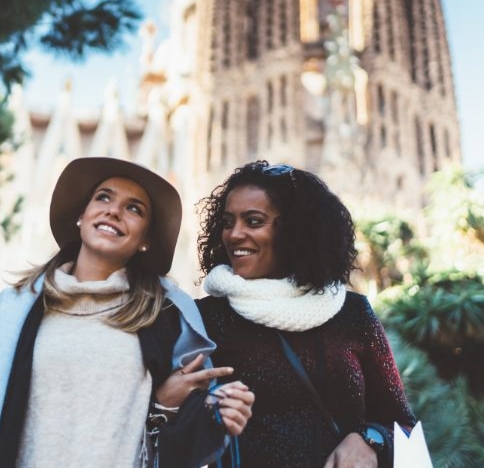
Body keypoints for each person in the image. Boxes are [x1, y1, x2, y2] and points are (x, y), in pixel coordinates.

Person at [0, 156, 254, 468]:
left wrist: (184, 407)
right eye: (103, 198)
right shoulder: (13, 310)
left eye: (133, 209)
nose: (114, 211)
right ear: (81, 215)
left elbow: (183, 442)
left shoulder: (167, 318)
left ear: (146, 240)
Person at [160, 161, 415, 468]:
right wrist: (197, 410)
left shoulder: (352, 314)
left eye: (253, 221)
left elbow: (400, 421)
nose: (234, 234)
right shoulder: (204, 319)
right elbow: (169, 428)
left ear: (296, 230)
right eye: (228, 222)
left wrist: (369, 439)